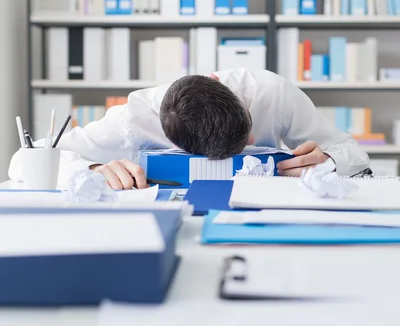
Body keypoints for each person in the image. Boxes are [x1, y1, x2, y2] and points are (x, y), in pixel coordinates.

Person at [9, 67, 369, 189]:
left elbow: (355, 154)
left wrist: (331, 161)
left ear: (220, 83)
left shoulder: (272, 92)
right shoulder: (130, 121)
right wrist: (91, 169)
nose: (250, 141)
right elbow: (22, 161)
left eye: (247, 133)